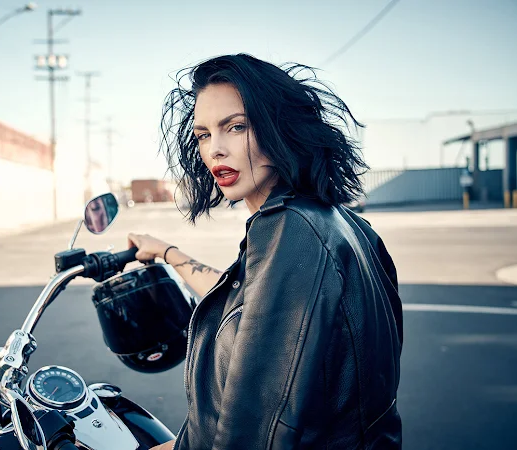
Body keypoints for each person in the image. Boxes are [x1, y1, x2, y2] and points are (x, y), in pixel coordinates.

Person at [128, 54, 403, 450]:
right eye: (203, 134)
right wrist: (168, 252)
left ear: (280, 127)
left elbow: (253, 431)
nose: (215, 151)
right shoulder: (336, 221)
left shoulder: (291, 231)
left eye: (235, 127)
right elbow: (247, 304)